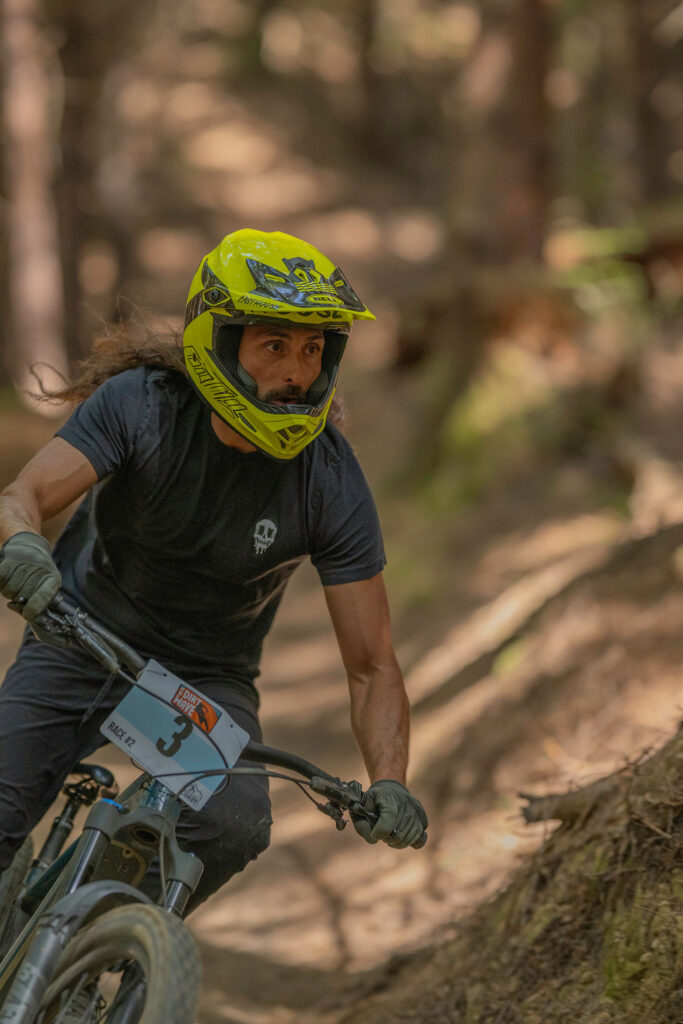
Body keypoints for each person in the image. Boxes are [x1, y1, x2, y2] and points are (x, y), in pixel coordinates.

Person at [0, 228, 427, 913]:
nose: (298, 371)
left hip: (200, 679)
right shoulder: (141, 406)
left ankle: (84, 950)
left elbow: (372, 665)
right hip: (79, 634)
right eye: (274, 345)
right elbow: (22, 497)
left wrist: (391, 780)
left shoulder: (329, 480)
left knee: (231, 825)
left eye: (314, 349)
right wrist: (22, 544)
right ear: (220, 343)